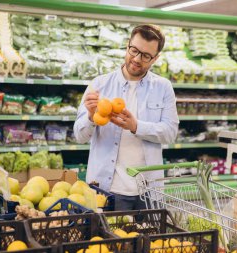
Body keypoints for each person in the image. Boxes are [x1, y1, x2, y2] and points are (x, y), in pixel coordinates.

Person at [73, 24, 179, 210]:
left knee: (151, 239)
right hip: (106, 191)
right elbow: (79, 136)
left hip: (149, 192)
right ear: (127, 45)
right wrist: (91, 117)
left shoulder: (163, 87)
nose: (137, 59)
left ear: (155, 58)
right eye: (134, 50)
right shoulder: (99, 85)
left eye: (146, 55)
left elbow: (170, 133)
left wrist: (136, 126)